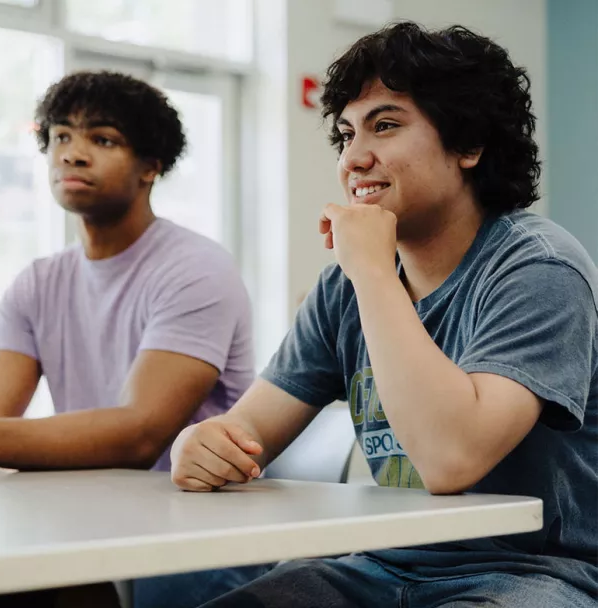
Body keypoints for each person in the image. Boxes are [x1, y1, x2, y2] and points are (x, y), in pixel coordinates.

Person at [171, 22, 598, 608]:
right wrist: (200, 445)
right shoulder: (345, 286)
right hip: (378, 563)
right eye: (346, 134)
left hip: (532, 573)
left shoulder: (540, 268)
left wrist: (372, 271)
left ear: (468, 145)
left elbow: (452, 461)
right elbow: (246, 434)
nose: (354, 158)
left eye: (386, 126)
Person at [0, 71, 265, 607]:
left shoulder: (196, 268)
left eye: (102, 139)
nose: (73, 154)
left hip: (199, 532)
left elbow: (139, 434)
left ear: (151, 167)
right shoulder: (38, 283)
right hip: (87, 517)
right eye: (61, 136)